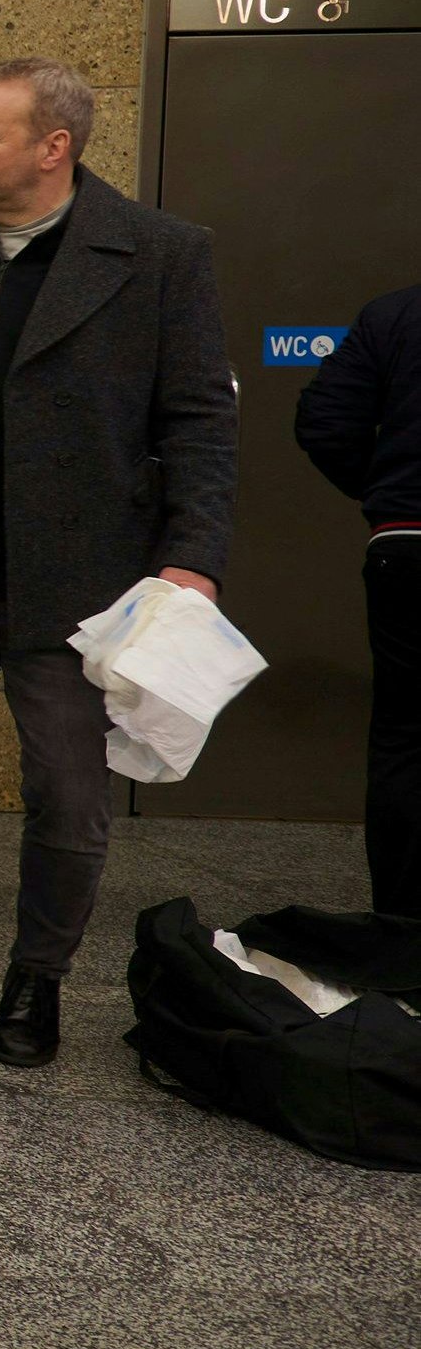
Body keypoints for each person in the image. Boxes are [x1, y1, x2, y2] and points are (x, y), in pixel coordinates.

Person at [0, 57, 238, 1073]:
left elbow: (200, 417)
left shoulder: (158, 253)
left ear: (52, 147)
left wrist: (192, 559)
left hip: (82, 590)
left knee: (68, 801)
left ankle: (38, 981)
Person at [298, 281, 421, 914]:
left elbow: (325, 423)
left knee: (405, 735)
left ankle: (401, 925)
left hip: (407, 545)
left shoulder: (393, 312)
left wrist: (388, 493)